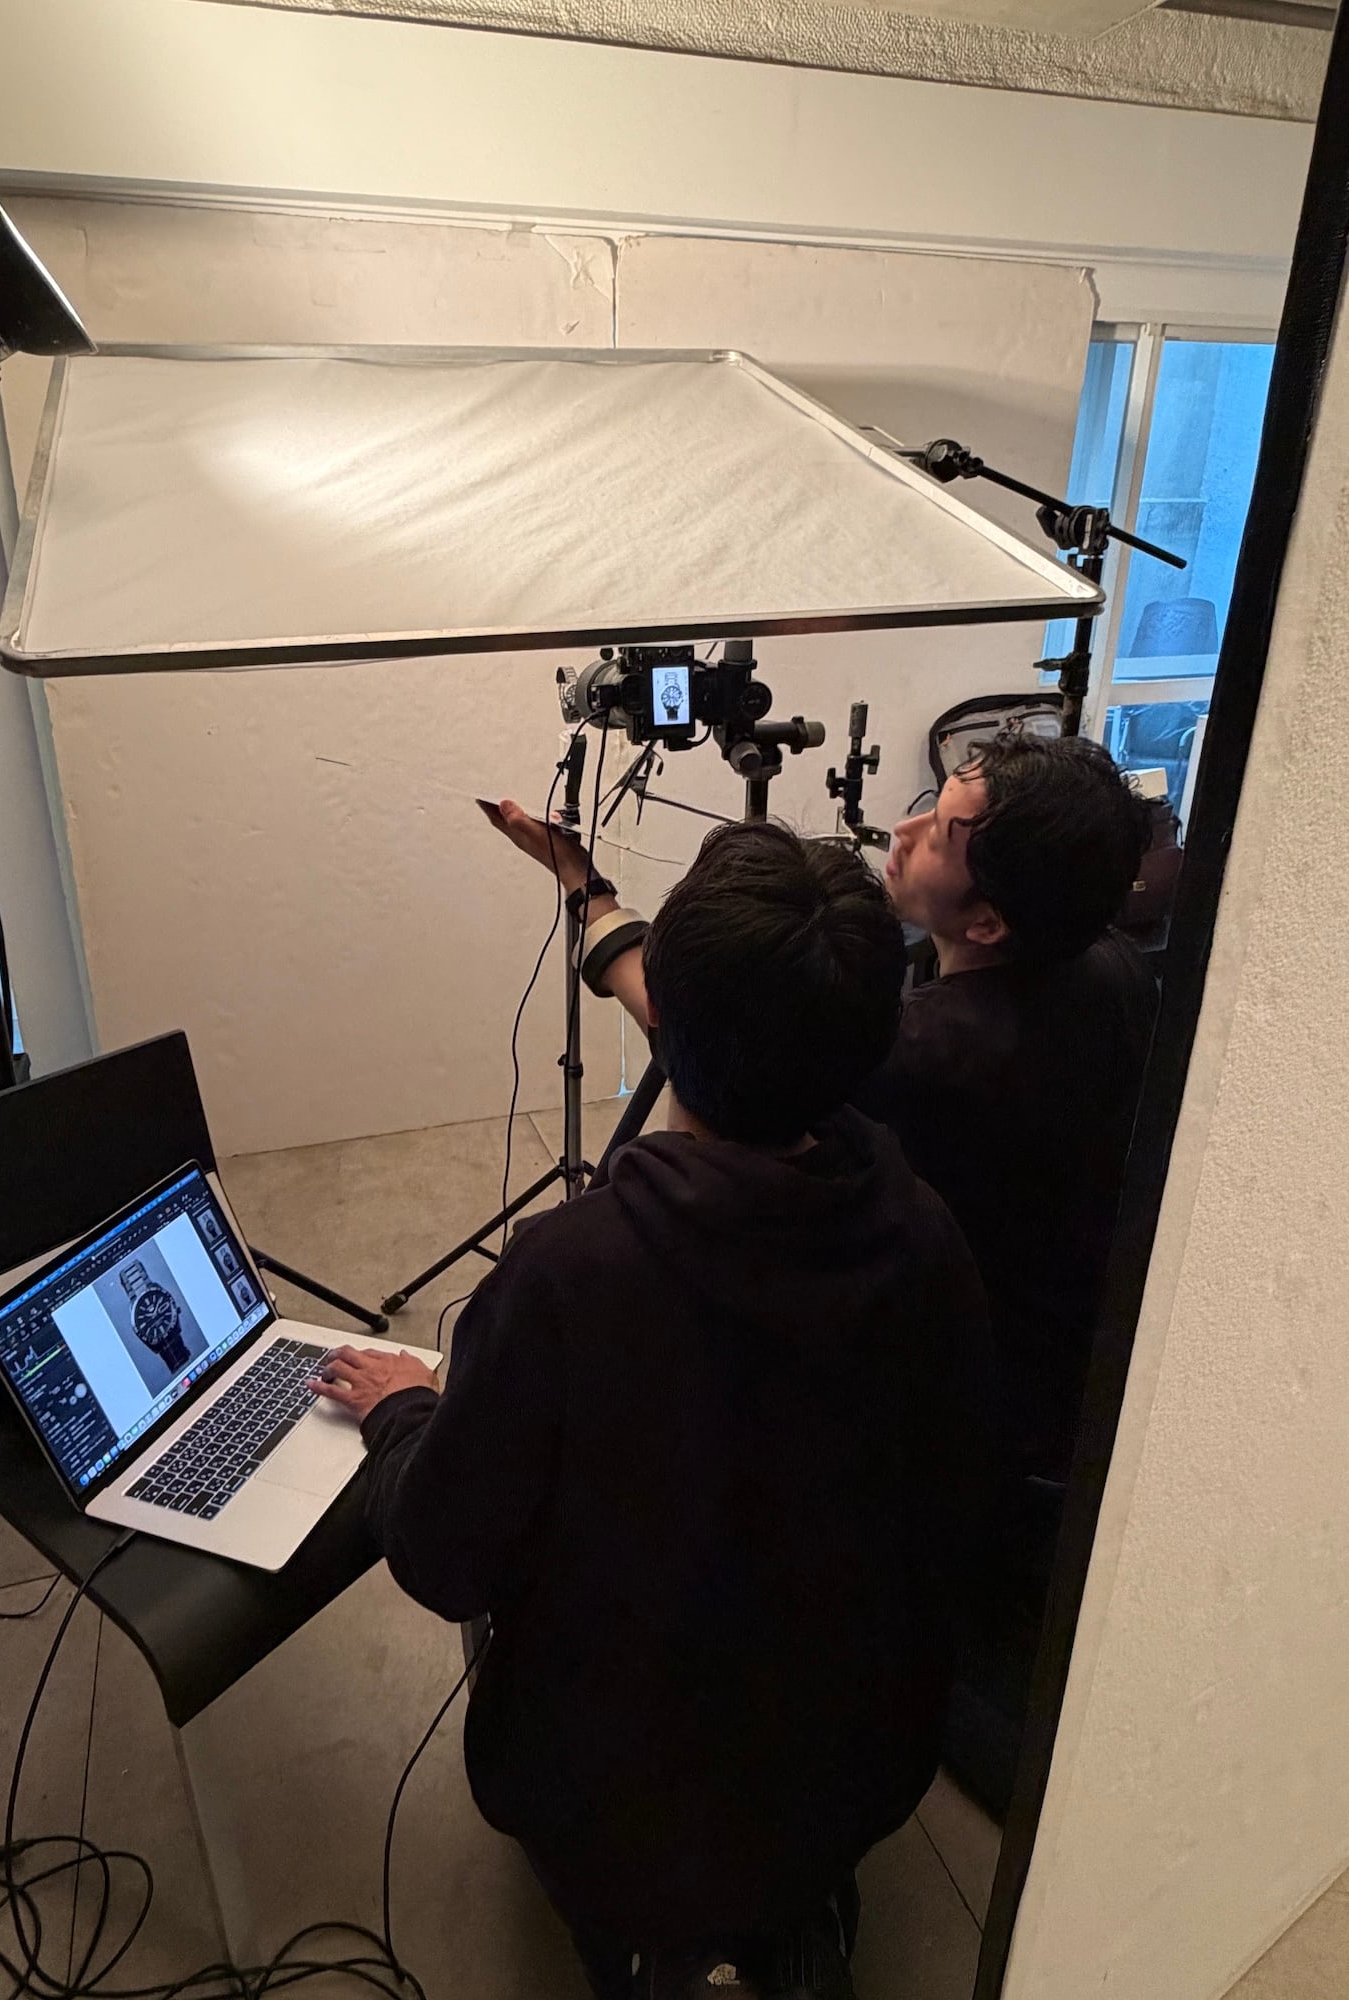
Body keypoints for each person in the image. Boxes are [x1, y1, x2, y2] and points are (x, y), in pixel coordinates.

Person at [310, 823, 996, 2000]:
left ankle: (666, 1938)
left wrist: (409, 1413)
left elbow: (443, 1558)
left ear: (660, 1020)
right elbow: (960, 1505)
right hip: (856, 1764)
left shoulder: (568, 1273)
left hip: (622, 1799)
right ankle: (780, 1908)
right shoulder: (926, 1234)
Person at [491, 729, 1156, 1489]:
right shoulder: (1115, 968)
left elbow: (695, 1030)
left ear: (989, 924)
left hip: (972, 1420)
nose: (902, 831)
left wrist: (584, 884)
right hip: (1074, 1370)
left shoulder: (920, 1055)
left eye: (938, 834)